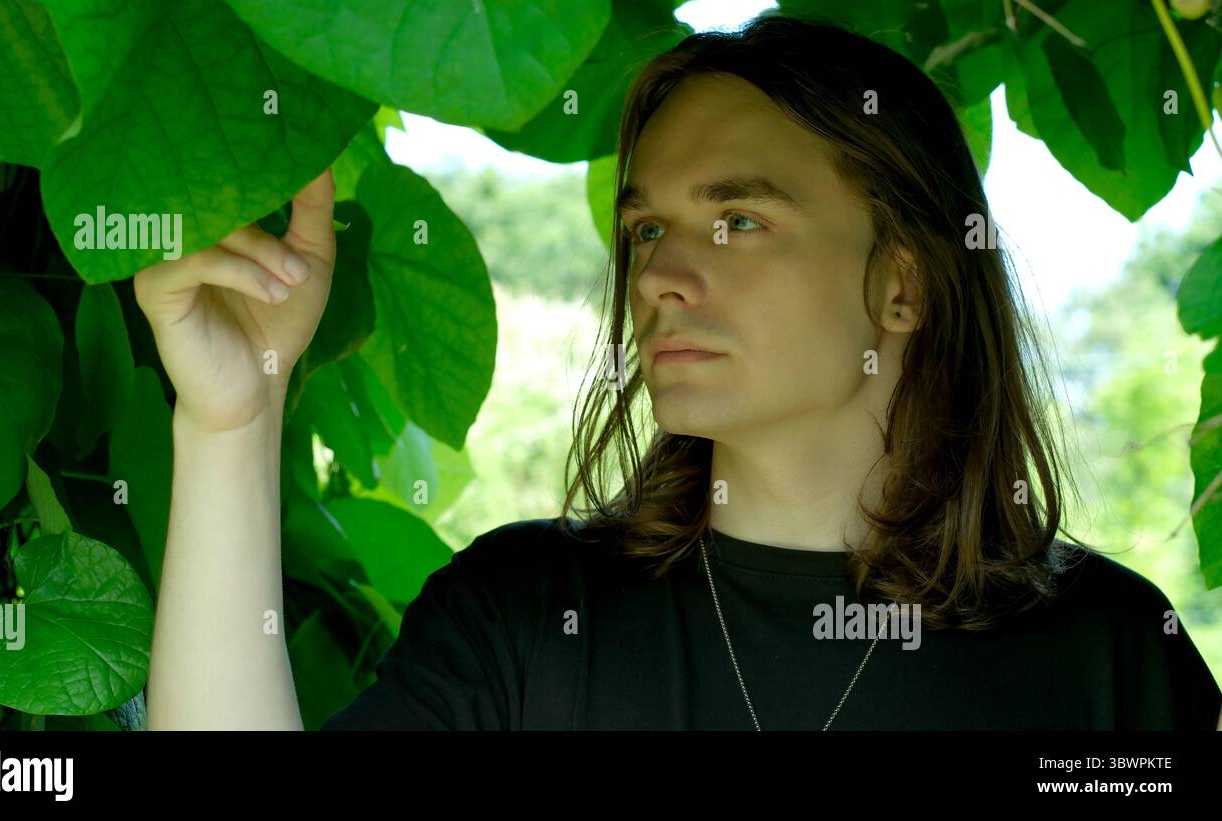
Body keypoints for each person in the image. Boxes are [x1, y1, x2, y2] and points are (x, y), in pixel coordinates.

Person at [139, 14, 1222, 730]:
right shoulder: (524, 619)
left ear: (902, 285)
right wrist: (233, 422)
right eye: (647, 226)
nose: (661, 273)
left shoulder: (1109, 659)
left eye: (736, 218)